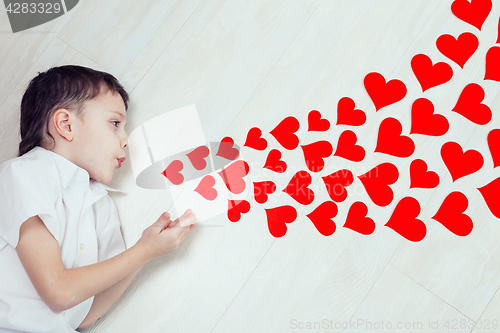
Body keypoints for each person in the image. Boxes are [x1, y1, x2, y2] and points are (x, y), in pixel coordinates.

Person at [0, 65, 196, 333]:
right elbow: (59, 292)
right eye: (115, 123)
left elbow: (84, 315)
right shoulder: (23, 174)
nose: (126, 140)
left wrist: (146, 251)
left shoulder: (101, 205)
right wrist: (145, 250)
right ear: (66, 125)